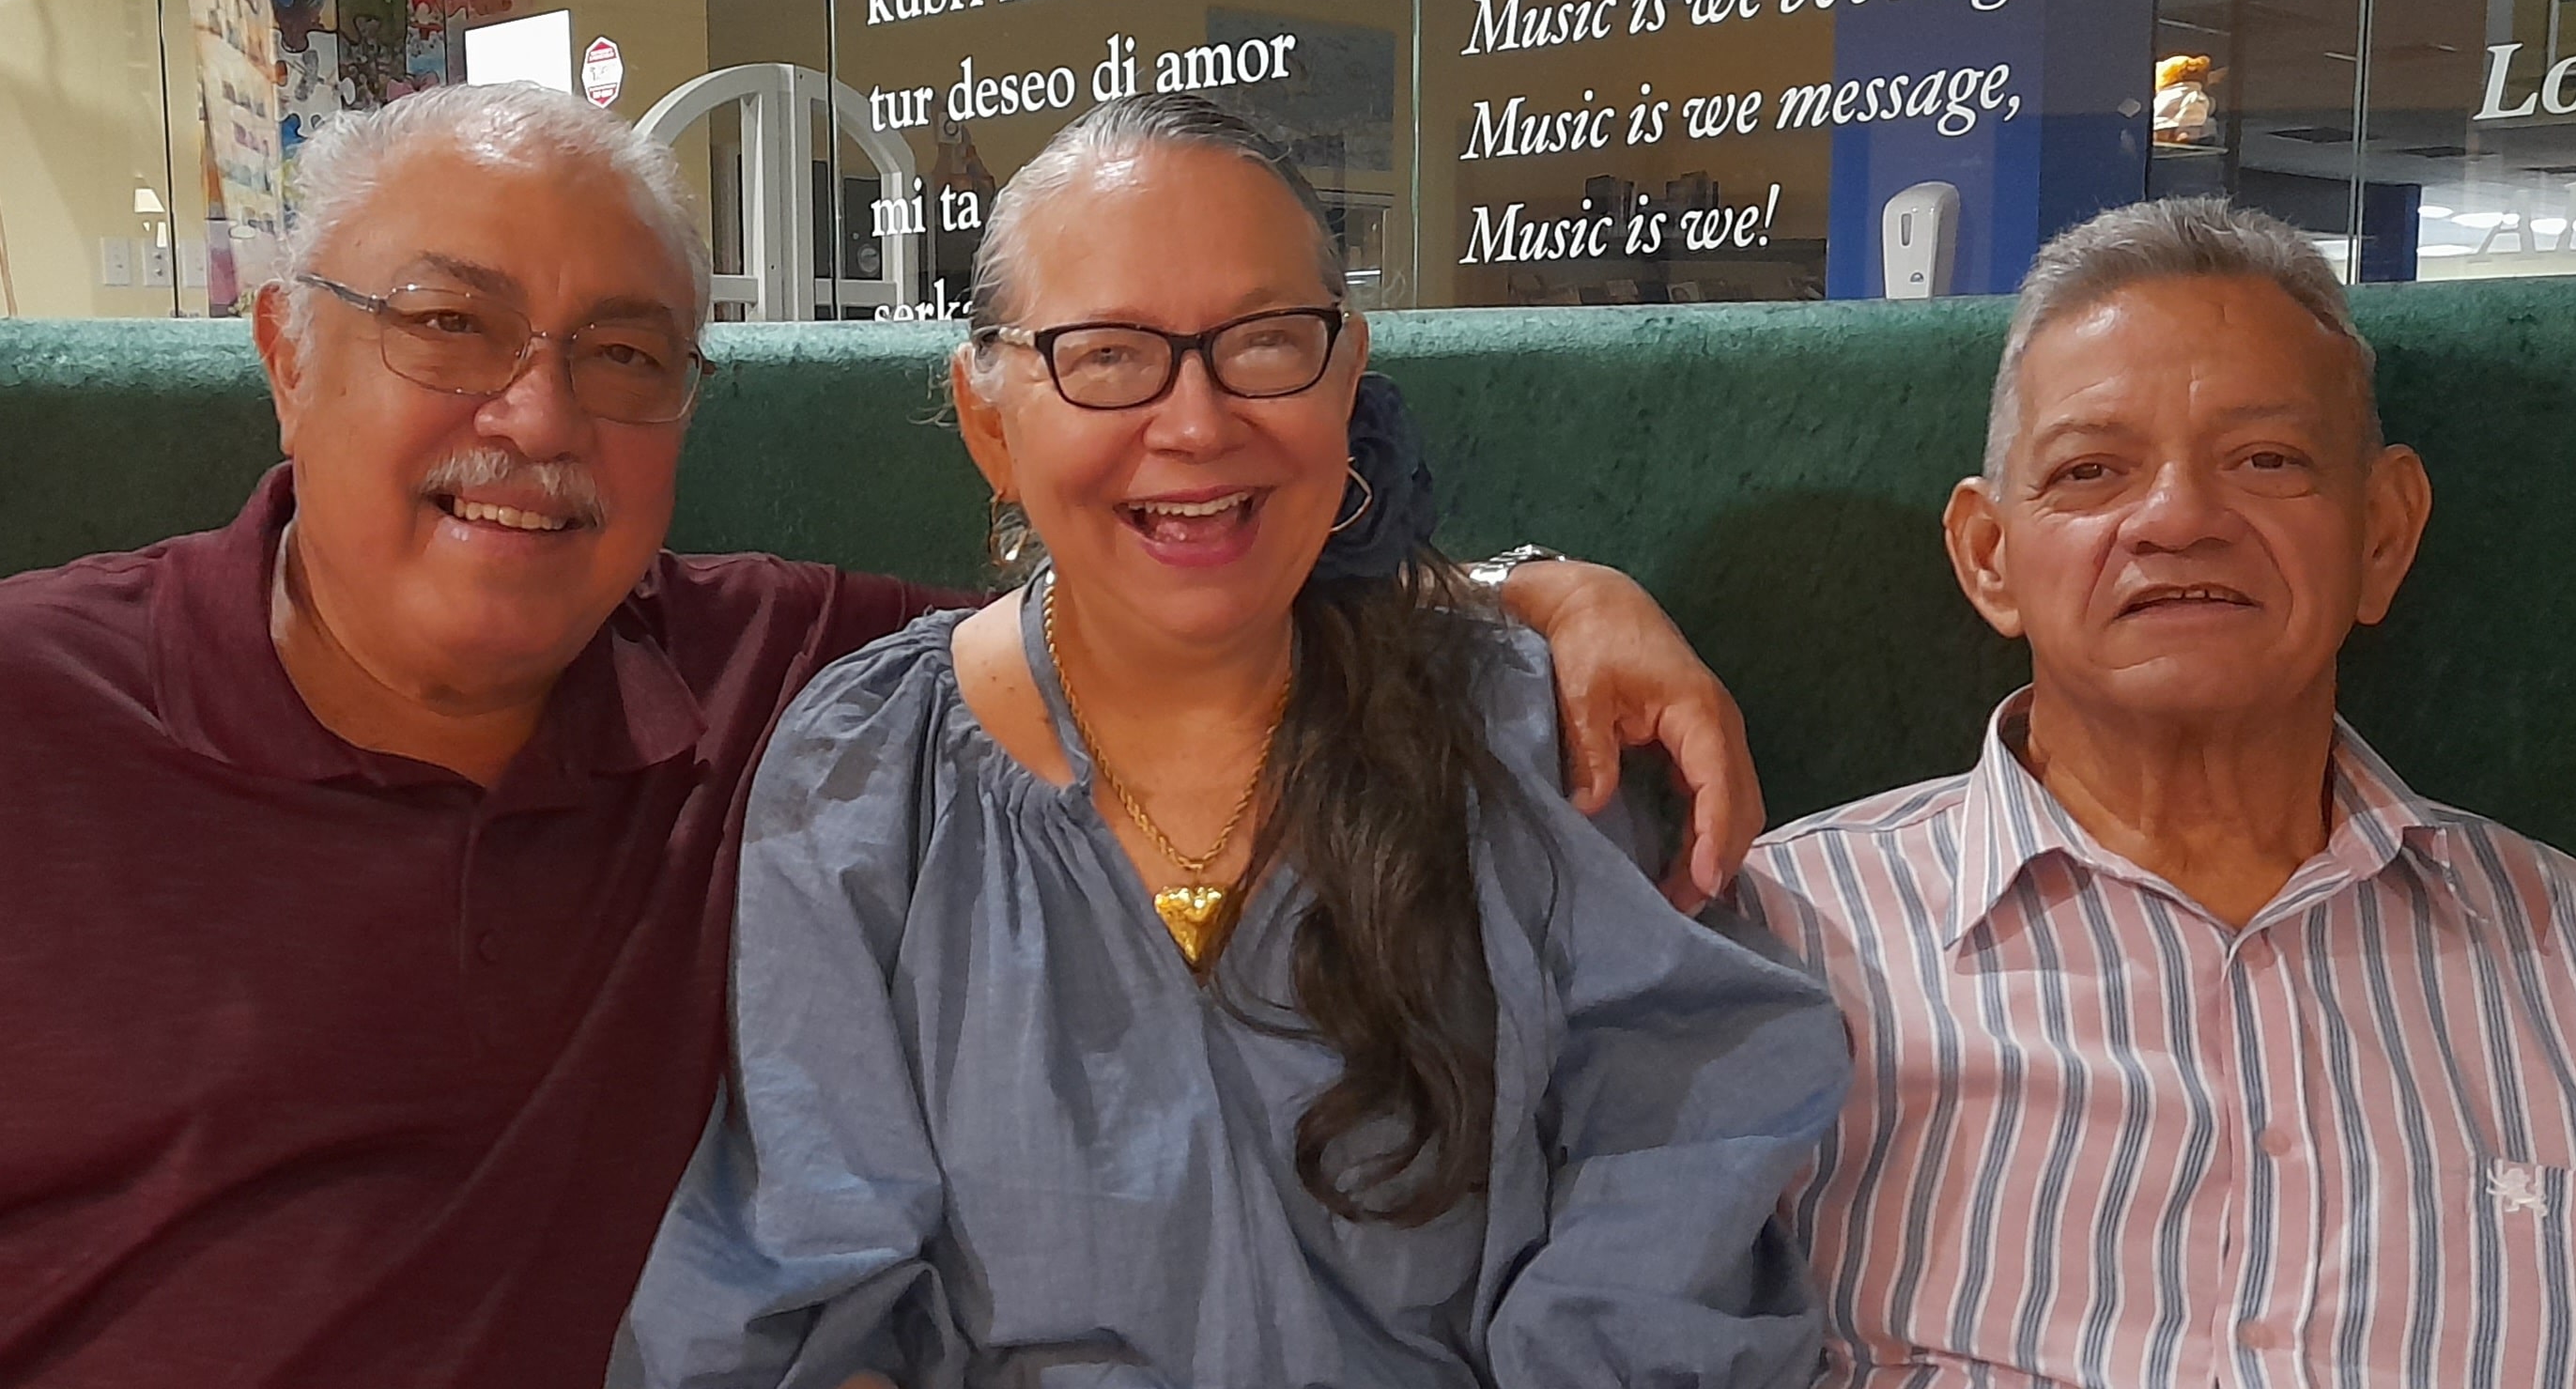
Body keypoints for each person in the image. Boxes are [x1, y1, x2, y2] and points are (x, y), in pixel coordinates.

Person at [0, 83, 1771, 1388]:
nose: (535, 414)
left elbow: (1178, 580)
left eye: (625, 354)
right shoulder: (868, 761)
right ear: (285, 351)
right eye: (449, 324)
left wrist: (1538, 592)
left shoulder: (761, 679)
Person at [617, 94, 1851, 1389]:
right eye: (1106, 355)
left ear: (1345, 374)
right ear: (988, 419)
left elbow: (1673, 1142)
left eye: (1265, 344)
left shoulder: (1518, 726)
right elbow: (820, 1280)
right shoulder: (871, 775)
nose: (1198, 425)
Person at [1744, 198, 2576, 1387]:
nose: (2178, 518)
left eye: (2266, 460)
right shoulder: (1778, 944)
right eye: (2090, 471)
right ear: (1989, 557)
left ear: (2380, 534)